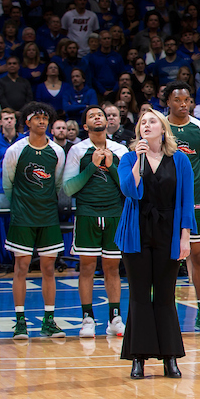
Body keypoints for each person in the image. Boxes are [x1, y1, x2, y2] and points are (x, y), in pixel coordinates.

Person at [116, 108, 197, 379]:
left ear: (163, 129)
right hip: (136, 232)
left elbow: (186, 201)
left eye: (153, 121)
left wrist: (186, 236)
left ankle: (170, 357)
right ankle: (138, 358)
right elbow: (130, 191)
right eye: (143, 122)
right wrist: (139, 159)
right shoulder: (128, 158)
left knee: (165, 296)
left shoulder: (180, 160)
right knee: (139, 297)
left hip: (169, 231)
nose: (147, 125)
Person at [64, 106, 130, 339]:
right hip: (87, 214)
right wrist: (92, 165)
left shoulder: (120, 149)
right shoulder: (77, 150)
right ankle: (87, 318)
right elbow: (69, 187)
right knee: (87, 267)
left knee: (113, 268)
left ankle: (115, 318)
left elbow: (128, 188)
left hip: (114, 214)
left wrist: (111, 166)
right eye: (92, 116)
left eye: (100, 114)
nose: (97, 117)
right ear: (85, 126)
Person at [2, 102, 67, 339]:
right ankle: (20, 322)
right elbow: (8, 185)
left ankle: (49, 321)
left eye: (45, 118)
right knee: (21, 267)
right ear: (27, 122)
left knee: (49, 268)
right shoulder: (15, 151)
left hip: (48, 216)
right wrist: (21, 206)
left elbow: (58, 184)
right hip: (22, 216)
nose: (42, 121)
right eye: (36, 118)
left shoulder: (57, 152)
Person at [163, 82, 200, 332]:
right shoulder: (159, 127)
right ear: (168, 102)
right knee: (166, 260)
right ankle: (164, 314)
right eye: (177, 100)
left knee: (198, 255)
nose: (183, 104)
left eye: (187, 100)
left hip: (194, 198)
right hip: (164, 199)